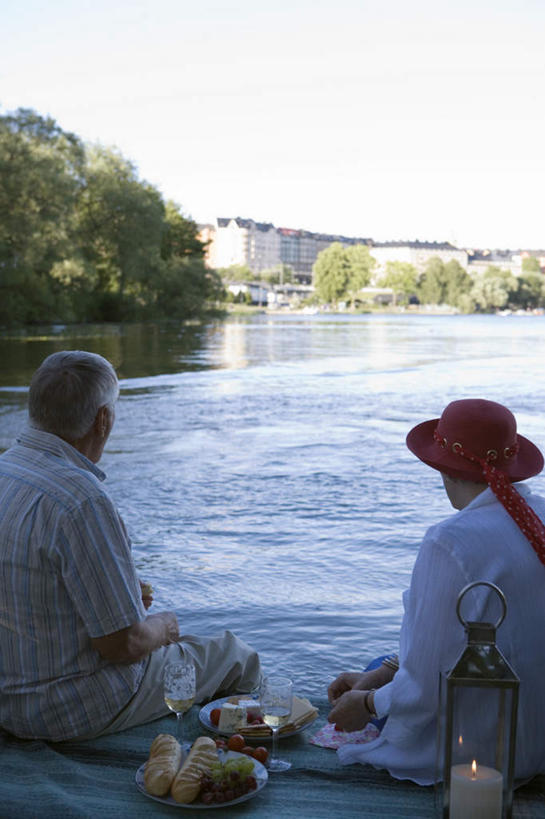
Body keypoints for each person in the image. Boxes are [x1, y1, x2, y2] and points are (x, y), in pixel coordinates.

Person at [0, 351, 261, 742]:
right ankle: (246, 752)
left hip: (8, 699)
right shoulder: (82, 499)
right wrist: (164, 628)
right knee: (233, 655)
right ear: (103, 420)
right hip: (67, 710)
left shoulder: (7, 470)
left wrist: (119, 598)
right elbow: (123, 645)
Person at [327, 398, 545, 784]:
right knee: (379, 663)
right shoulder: (537, 516)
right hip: (537, 723)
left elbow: (427, 686)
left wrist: (364, 703)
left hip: (485, 751)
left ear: (442, 467)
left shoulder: (449, 542)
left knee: (371, 683)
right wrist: (385, 673)